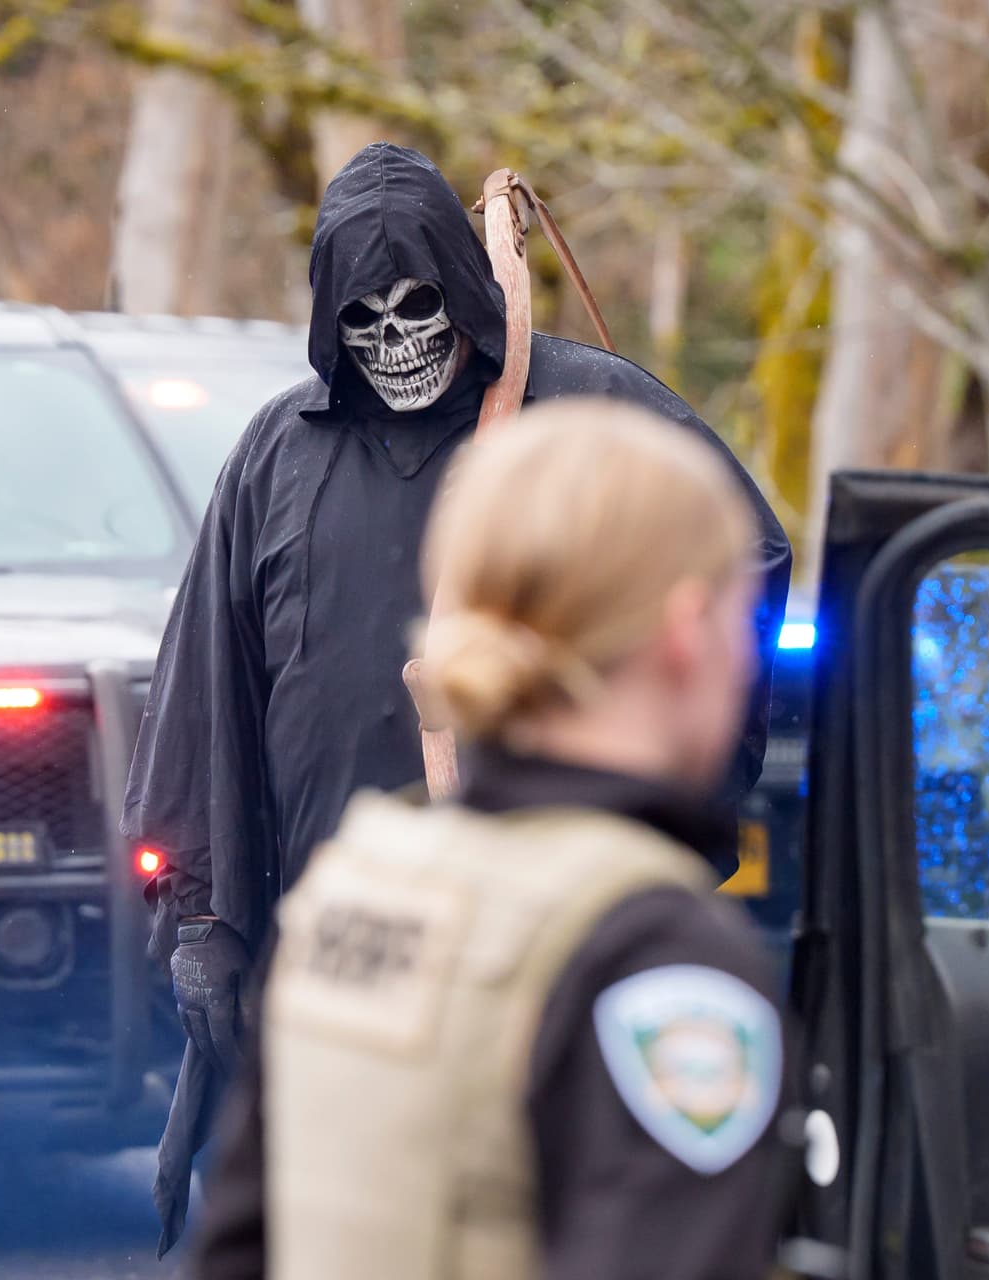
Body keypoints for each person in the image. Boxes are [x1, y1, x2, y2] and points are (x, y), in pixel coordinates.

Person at [122, 143, 791, 1245]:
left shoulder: (588, 419)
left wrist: (667, 806)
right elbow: (209, 681)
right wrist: (205, 905)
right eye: (364, 318)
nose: (395, 340)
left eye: (417, 305)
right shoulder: (278, 458)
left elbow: (745, 561)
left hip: (541, 896)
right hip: (336, 887)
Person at [188, 399, 799, 1280]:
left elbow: (237, 1248)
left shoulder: (353, 890)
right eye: (744, 621)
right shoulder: (659, 957)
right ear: (684, 630)